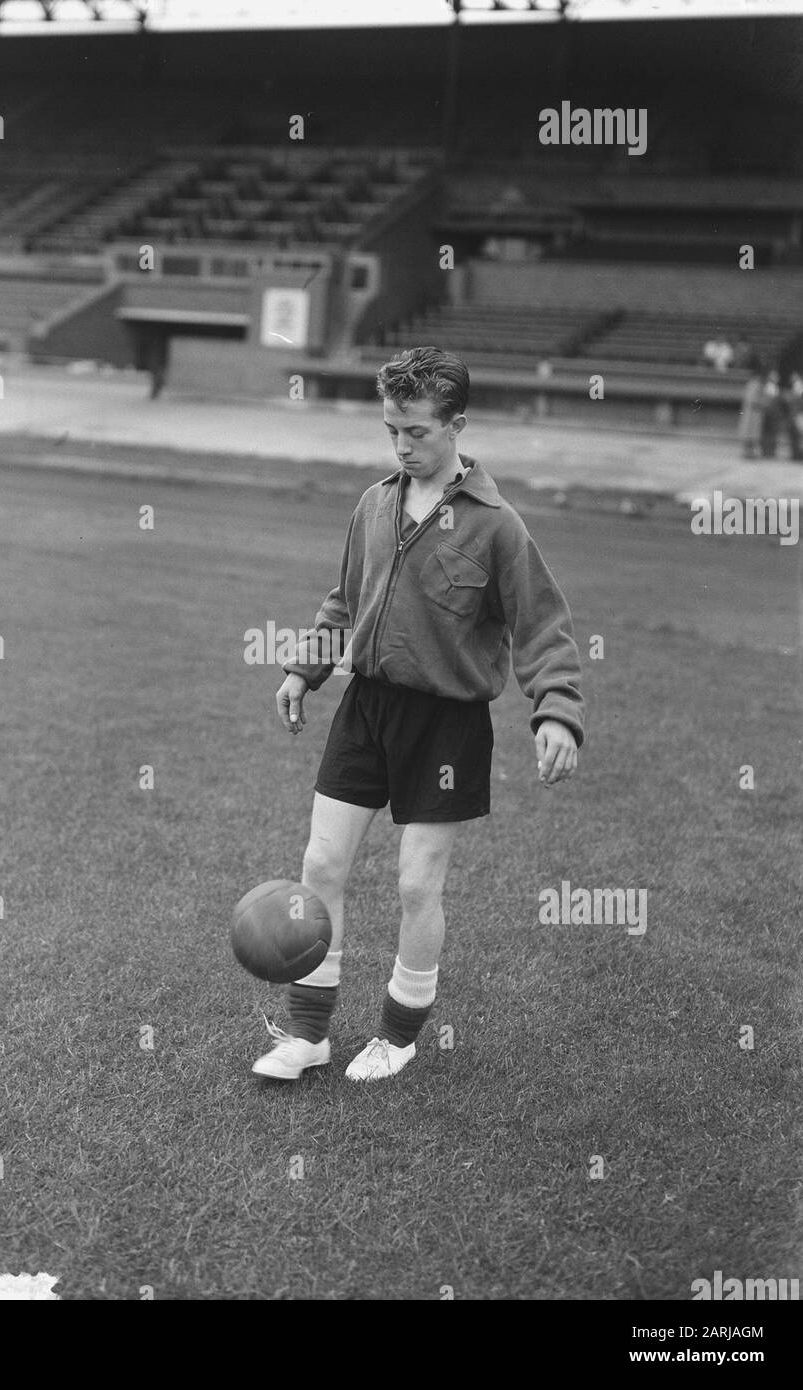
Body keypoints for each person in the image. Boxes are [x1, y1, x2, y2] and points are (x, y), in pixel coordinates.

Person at [257, 346, 584, 1084]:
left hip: (446, 723)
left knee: (415, 884)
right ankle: (308, 1033)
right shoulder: (374, 503)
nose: (402, 447)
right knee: (321, 864)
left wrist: (556, 712)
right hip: (366, 708)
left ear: (456, 426)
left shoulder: (498, 527)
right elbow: (343, 600)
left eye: (417, 433)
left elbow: (541, 626)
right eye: (391, 431)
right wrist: (304, 667)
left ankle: (398, 1036)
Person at [739, 371, 764, 460]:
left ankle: (749, 452)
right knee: (751, 433)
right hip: (753, 413)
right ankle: (748, 452)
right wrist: (762, 402)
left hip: (751, 412)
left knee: (751, 433)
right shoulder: (755, 385)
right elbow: (753, 400)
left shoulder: (751, 385)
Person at [760, 370, 783, 459]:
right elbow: (768, 401)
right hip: (769, 413)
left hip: (774, 413)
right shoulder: (769, 387)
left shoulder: (774, 387)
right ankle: (766, 451)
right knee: (768, 432)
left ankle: (770, 451)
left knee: (773, 432)